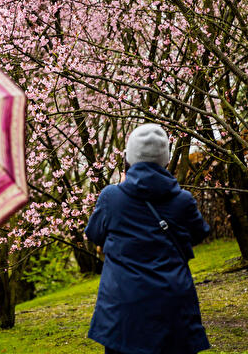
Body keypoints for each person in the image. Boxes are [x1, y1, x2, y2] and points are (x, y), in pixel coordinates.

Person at [85, 123, 211, 354]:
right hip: (172, 305)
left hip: (122, 309)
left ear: (131, 156)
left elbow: (94, 234)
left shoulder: (111, 198)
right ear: (165, 158)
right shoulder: (182, 200)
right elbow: (199, 233)